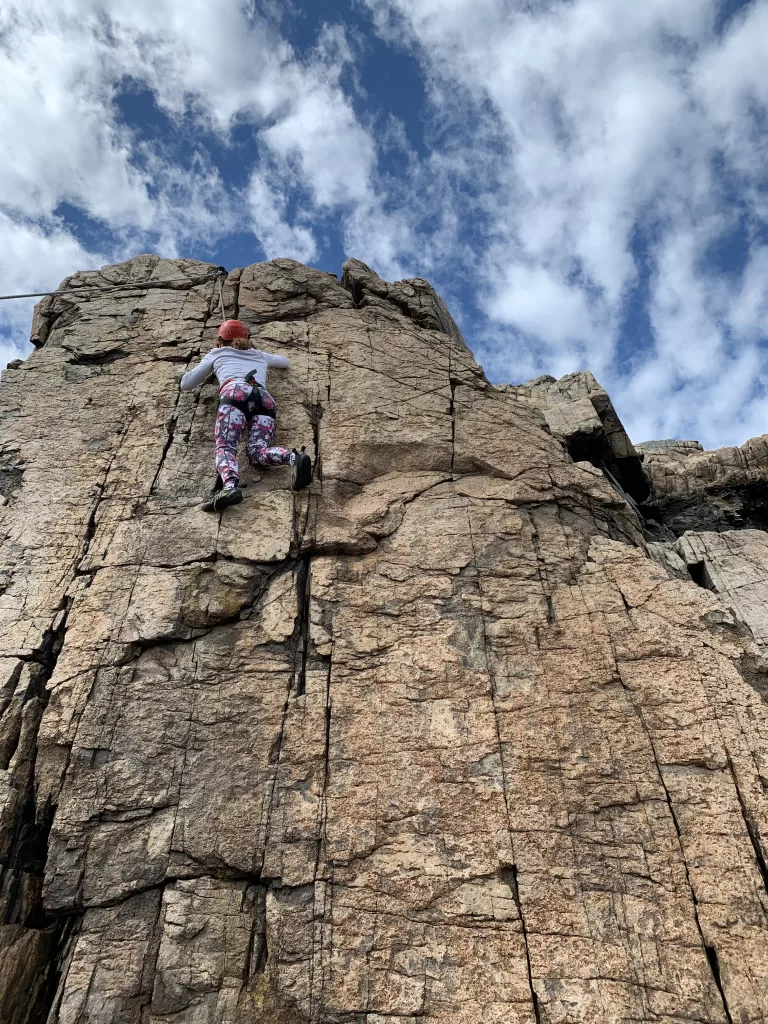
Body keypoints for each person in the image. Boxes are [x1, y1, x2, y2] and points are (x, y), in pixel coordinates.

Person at [179, 319, 312, 511]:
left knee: (225, 446)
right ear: (247, 338)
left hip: (235, 394)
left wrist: (216, 363)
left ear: (219, 341)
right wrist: (256, 355)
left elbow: (186, 384)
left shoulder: (217, 353)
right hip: (264, 400)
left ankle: (230, 487)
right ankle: (293, 458)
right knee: (257, 452)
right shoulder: (258, 354)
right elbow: (285, 362)